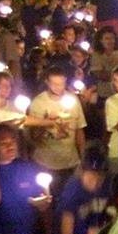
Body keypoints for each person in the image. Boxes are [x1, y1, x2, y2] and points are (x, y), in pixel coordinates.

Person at [28, 66, 88, 197]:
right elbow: (33, 136)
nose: (58, 87)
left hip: (70, 161)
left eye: (61, 83)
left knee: (70, 199)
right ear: (47, 82)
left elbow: (79, 130)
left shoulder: (72, 99)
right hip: (46, 162)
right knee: (48, 199)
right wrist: (46, 122)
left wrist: (83, 157)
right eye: (54, 84)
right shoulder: (38, 103)